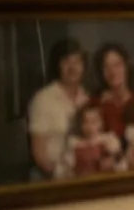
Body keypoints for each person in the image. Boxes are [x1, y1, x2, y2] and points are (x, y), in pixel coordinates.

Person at [29, 39, 89, 178]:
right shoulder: (43, 99)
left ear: (84, 67)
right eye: (66, 61)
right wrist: (60, 176)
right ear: (58, 65)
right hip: (50, 177)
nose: (72, 67)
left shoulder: (86, 97)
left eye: (77, 62)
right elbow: (39, 154)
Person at [60, 104, 123, 179]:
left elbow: (120, 164)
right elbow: (65, 170)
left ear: (101, 123)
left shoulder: (108, 140)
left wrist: (112, 161)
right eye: (86, 122)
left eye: (94, 122)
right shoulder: (74, 144)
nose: (89, 126)